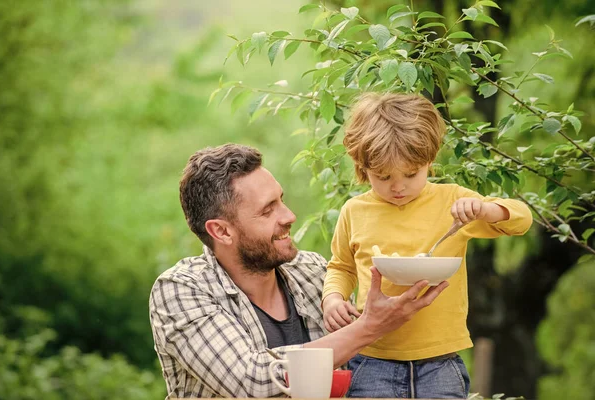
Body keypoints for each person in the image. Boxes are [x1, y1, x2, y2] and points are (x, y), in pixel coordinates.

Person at [148, 143, 449, 399]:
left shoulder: (314, 272)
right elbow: (251, 380)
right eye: (268, 210)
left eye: (282, 200)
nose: (289, 216)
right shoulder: (180, 289)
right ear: (221, 232)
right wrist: (370, 327)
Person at [322, 93, 533, 399]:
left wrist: (485, 210)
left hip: (439, 363)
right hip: (372, 360)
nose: (398, 186)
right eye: (383, 176)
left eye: (411, 174)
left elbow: (521, 220)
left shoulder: (451, 201)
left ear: (430, 161)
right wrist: (332, 298)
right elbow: (341, 266)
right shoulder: (355, 211)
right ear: (361, 166)